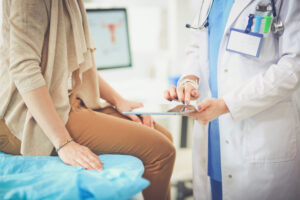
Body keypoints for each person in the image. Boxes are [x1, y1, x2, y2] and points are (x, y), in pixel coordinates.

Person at [0, 1, 175, 199]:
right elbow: (24, 70)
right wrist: (63, 143)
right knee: (161, 151)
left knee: (164, 136)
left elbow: (78, 60)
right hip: (22, 117)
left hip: (65, 100)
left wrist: (118, 100)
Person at [165, 0, 300, 199]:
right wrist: (189, 80)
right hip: (213, 139)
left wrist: (228, 104)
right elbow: (197, 44)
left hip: (260, 138)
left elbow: (293, 65)